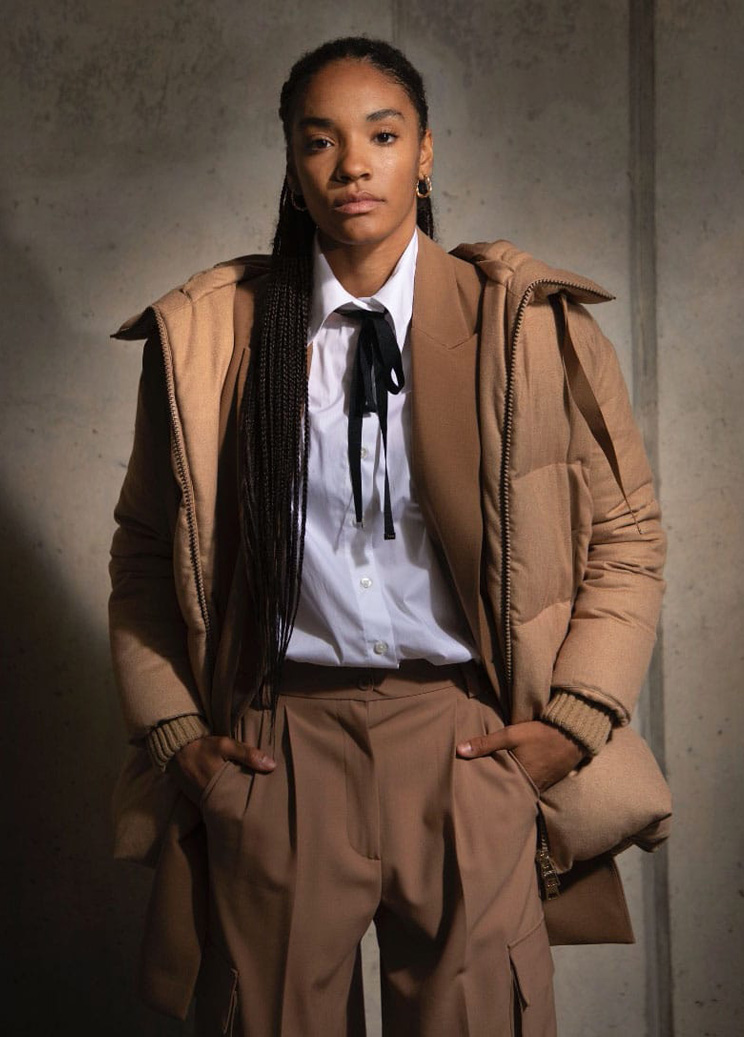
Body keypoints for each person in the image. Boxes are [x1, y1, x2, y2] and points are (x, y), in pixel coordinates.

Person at [108, 36, 668, 1037]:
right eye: (319, 140)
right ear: (292, 163)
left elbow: (626, 539)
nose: (351, 166)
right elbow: (146, 553)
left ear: (426, 153)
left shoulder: (526, 326)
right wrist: (181, 738)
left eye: (381, 134)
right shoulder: (210, 337)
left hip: (464, 739)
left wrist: (574, 720)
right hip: (281, 743)